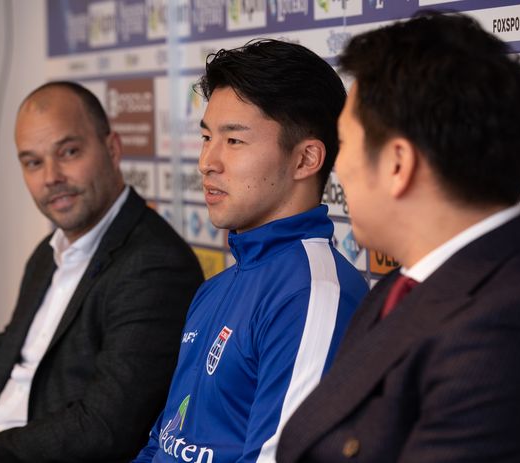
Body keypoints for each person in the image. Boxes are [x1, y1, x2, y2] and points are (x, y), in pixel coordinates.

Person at [276, 11, 520, 463]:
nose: (338, 168)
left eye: (347, 145)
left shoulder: (509, 334)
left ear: (398, 164)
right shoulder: (402, 290)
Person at [0, 81, 205, 462]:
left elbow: (107, 426)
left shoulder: (155, 264)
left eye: (68, 152)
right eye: (33, 162)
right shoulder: (47, 253)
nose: (50, 176)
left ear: (112, 148)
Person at [132, 39, 369, 463]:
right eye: (206, 137)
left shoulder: (312, 294)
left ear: (305, 160)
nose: (207, 161)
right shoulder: (216, 289)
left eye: (234, 141)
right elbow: (161, 445)